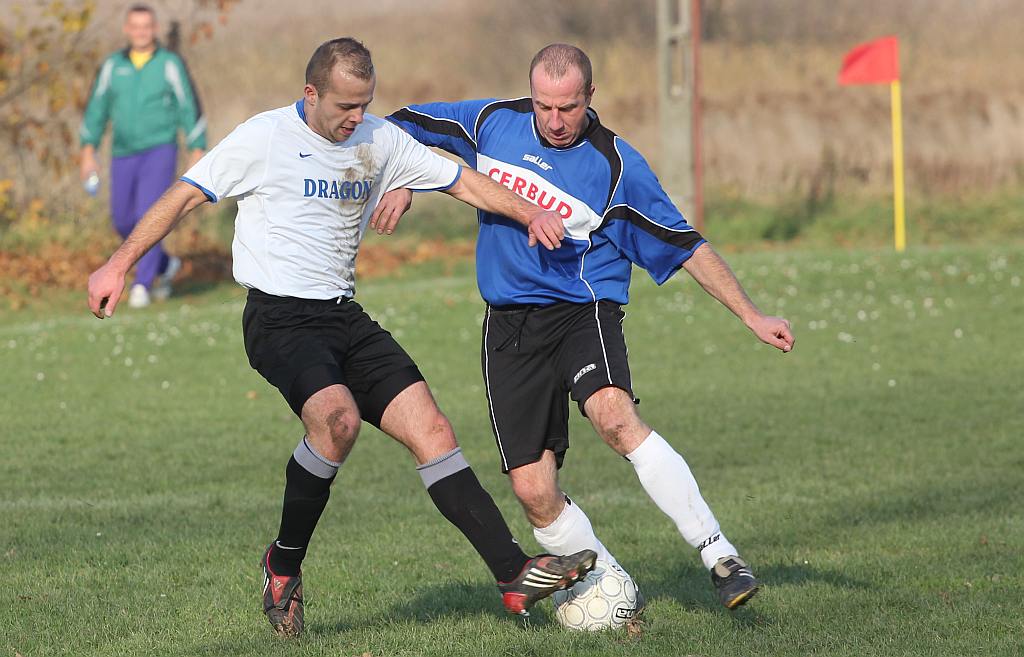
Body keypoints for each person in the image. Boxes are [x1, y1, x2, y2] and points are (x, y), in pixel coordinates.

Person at [87, 38, 596, 638]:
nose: (356, 118)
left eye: (365, 105)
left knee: (431, 428)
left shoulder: (378, 138)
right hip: (278, 318)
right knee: (338, 421)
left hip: (342, 317)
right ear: (311, 94)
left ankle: (512, 576)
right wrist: (119, 264)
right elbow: (182, 196)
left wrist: (527, 212)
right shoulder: (265, 138)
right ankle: (284, 565)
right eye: (345, 107)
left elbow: (460, 180)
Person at [384, 43, 796, 611]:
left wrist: (752, 313)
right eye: (544, 107)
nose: (554, 122)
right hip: (508, 325)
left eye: (568, 108)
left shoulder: (616, 167)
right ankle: (610, 589)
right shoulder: (490, 122)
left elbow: (685, 246)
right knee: (532, 489)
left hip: (582, 311)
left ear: (591, 97)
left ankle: (719, 555)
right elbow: (397, 127)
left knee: (613, 415)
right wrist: (404, 178)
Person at [79, 3, 206, 309]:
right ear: (127, 29)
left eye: (146, 26)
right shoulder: (113, 66)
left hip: (159, 149)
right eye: (135, 26)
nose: (141, 32)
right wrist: (87, 151)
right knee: (122, 219)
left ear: (154, 29)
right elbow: (96, 109)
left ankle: (142, 285)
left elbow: (189, 106)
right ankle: (165, 265)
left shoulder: (169, 64)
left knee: (147, 214)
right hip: (122, 152)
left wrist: (197, 147)